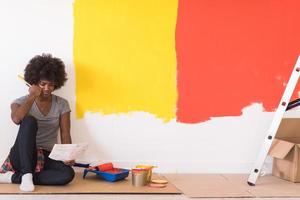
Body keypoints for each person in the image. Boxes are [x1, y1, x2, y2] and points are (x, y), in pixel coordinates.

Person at [0, 54, 75, 192]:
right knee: (29, 121)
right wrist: (32, 96)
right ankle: (26, 174)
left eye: (51, 84)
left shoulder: (62, 104)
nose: (47, 88)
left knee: (68, 174)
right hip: (22, 155)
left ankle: (13, 178)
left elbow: (65, 133)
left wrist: (68, 154)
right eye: (43, 84)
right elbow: (17, 119)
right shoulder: (20, 102)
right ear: (34, 82)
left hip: (47, 155)